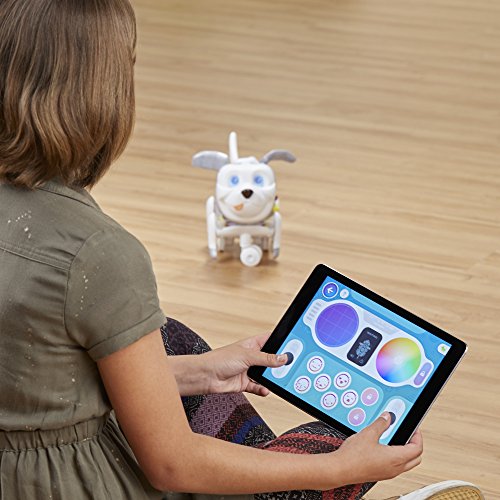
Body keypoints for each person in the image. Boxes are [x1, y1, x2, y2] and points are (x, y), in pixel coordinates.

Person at [0, 1, 484, 499]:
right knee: (345, 437)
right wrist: (336, 469)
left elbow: (44, 375)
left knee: (167, 337)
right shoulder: (98, 253)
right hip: (70, 484)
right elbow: (172, 465)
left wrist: (202, 373)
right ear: (99, 94)